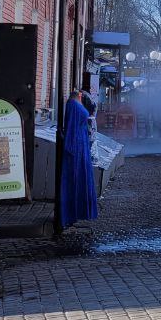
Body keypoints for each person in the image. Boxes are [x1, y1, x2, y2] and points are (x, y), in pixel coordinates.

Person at [59, 90, 98, 227]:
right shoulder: (72, 105)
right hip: (77, 145)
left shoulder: (75, 104)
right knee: (74, 179)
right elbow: (71, 127)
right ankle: (70, 213)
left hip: (81, 144)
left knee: (80, 178)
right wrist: (70, 146)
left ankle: (76, 213)